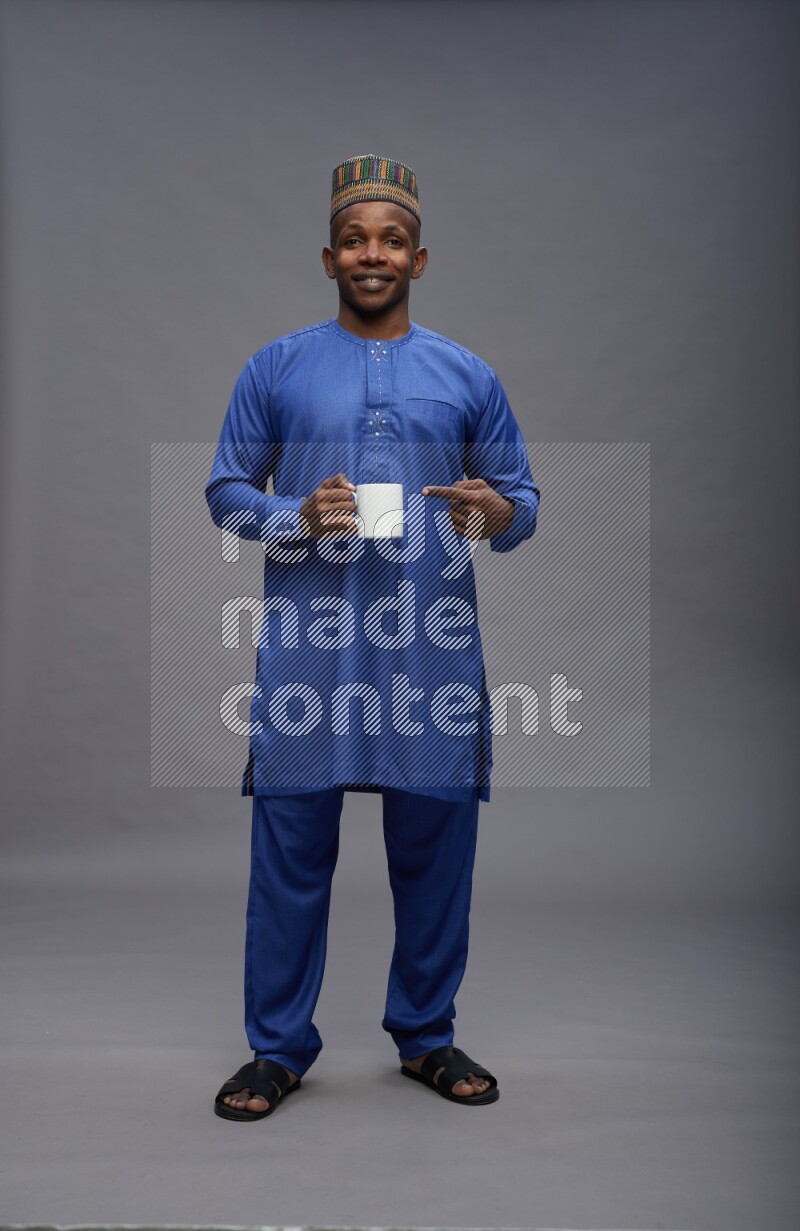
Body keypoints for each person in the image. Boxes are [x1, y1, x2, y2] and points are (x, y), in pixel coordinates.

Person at [206, 155, 540, 1120]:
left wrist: (493, 511)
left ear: (420, 258)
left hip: (429, 653)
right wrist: (293, 516)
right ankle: (276, 1047)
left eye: (391, 239)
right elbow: (227, 489)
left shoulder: (466, 372)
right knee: (290, 853)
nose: (373, 253)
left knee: (436, 850)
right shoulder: (276, 367)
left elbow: (523, 505)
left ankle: (426, 1036)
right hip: (312, 653)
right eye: (355, 238)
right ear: (327, 255)